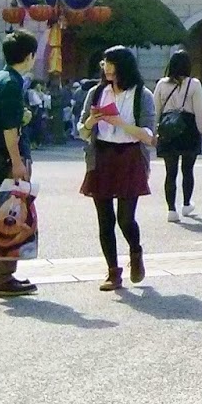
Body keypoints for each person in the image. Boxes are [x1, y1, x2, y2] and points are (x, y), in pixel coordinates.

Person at [78, 46, 156, 293]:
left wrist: (120, 122)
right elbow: (81, 131)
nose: (107, 68)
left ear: (124, 67)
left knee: (125, 218)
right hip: (101, 155)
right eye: (105, 63)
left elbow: (149, 136)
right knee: (105, 219)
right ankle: (113, 271)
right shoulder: (96, 92)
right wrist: (91, 122)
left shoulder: (141, 94)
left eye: (111, 64)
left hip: (129, 156)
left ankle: (136, 251)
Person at [0, 31, 40, 298]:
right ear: (29, 56)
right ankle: (3, 277)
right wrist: (17, 162)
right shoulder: (12, 83)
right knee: (12, 215)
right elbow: (9, 129)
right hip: (9, 159)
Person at [153, 50, 202, 222]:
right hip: (188, 129)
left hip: (168, 129)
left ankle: (171, 210)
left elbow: (156, 111)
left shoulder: (161, 84)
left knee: (170, 172)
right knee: (188, 170)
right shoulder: (194, 84)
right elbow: (200, 112)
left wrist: (154, 132)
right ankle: (186, 204)